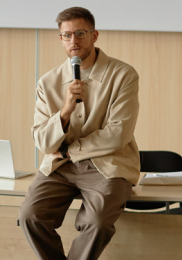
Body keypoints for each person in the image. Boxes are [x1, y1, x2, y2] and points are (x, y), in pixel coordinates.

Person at [18, 6, 140, 260]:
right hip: (60, 165)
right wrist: (64, 112)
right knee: (30, 215)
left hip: (107, 164)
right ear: (60, 39)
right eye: (67, 35)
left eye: (81, 33)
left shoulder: (123, 75)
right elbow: (42, 141)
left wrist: (67, 149)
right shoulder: (48, 82)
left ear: (94, 35)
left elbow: (118, 134)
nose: (74, 41)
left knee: (96, 222)